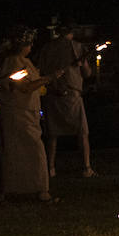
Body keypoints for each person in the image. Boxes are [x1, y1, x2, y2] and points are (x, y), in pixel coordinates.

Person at [0, 25, 59, 203]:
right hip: (16, 114)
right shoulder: (14, 62)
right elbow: (24, 87)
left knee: (26, 152)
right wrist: (48, 78)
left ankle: (20, 190)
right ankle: (38, 190)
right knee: (30, 151)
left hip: (26, 113)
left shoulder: (24, 62)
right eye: (29, 44)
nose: (31, 47)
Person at [35, 23, 95, 178]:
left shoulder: (48, 48)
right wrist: (84, 64)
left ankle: (51, 168)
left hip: (55, 95)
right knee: (82, 133)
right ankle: (86, 167)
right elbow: (87, 73)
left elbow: (41, 70)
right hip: (68, 95)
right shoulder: (76, 47)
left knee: (52, 135)